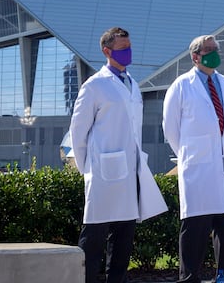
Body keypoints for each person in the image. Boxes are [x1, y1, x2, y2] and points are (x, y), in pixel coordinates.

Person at [69, 27, 167, 283]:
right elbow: (77, 132)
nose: (128, 52)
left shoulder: (133, 84)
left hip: (129, 172)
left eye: (129, 47)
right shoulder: (95, 85)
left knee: (124, 237)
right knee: (94, 237)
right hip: (102, 173)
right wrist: (88, 168)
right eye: (122, 48)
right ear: (107, 51)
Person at [162, 35, 224, 283]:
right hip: (198, 169)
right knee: (195, 230)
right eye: (208, 50)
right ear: (195, 56)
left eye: (216, 49)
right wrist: (190, 155)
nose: (214, 53)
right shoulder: (182, 85)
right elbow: (171, 130)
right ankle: (189, 279)